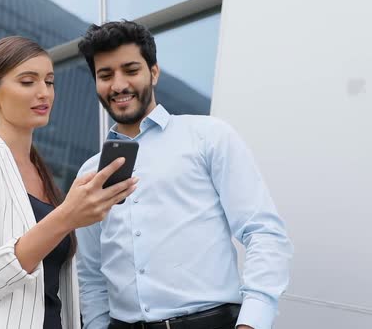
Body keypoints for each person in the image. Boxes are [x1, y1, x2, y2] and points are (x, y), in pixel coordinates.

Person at [75, 20, 293, 329]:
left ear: (153, 72)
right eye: (105, 75)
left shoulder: (208, 137)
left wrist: (252, 322)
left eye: (131, 70)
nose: (118, 85)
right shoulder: (89, 174)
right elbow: (92, 274)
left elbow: (264, 232)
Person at [0, 36, 138, 329]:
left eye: (49, 81)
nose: (44, 92)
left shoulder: (47, 179)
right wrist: (66, 216)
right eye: (27, 81)